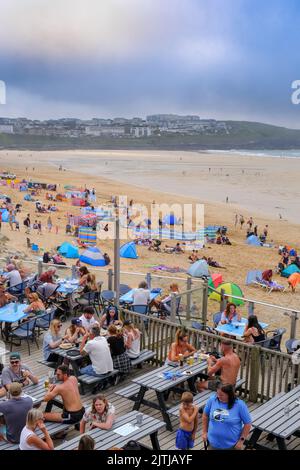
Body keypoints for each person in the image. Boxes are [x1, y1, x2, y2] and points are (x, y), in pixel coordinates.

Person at [202, 383, 251, 450]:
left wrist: (241, 441)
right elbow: (205, 415)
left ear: (229, 395)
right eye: (217, 393)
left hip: (232, 446)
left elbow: (247, 424)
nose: (218, 396)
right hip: (212, 443)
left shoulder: (240, 405)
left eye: (221, 395)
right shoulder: (212, 399)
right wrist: (204, 432)